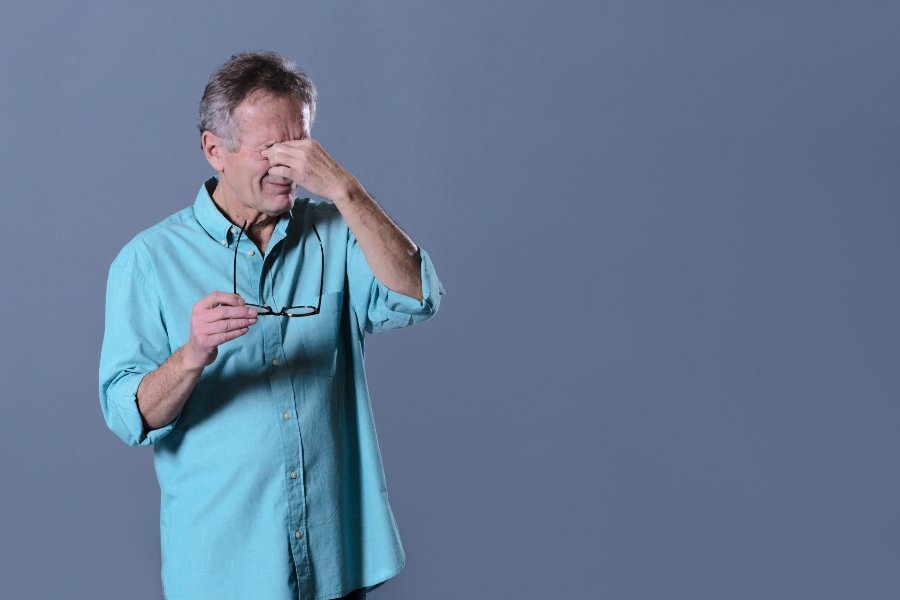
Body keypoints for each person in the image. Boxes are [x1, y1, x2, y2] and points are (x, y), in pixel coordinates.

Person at [99, 51, 444, 600]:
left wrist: (346, 190)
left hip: (335, 562)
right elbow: (127, 415)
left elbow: (417, 298)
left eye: (299, 146)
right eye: (269, 150)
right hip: (226, 573)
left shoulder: (339, 231)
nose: (289, 168)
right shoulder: (147, 261)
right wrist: (190, 356)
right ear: (215, 150)